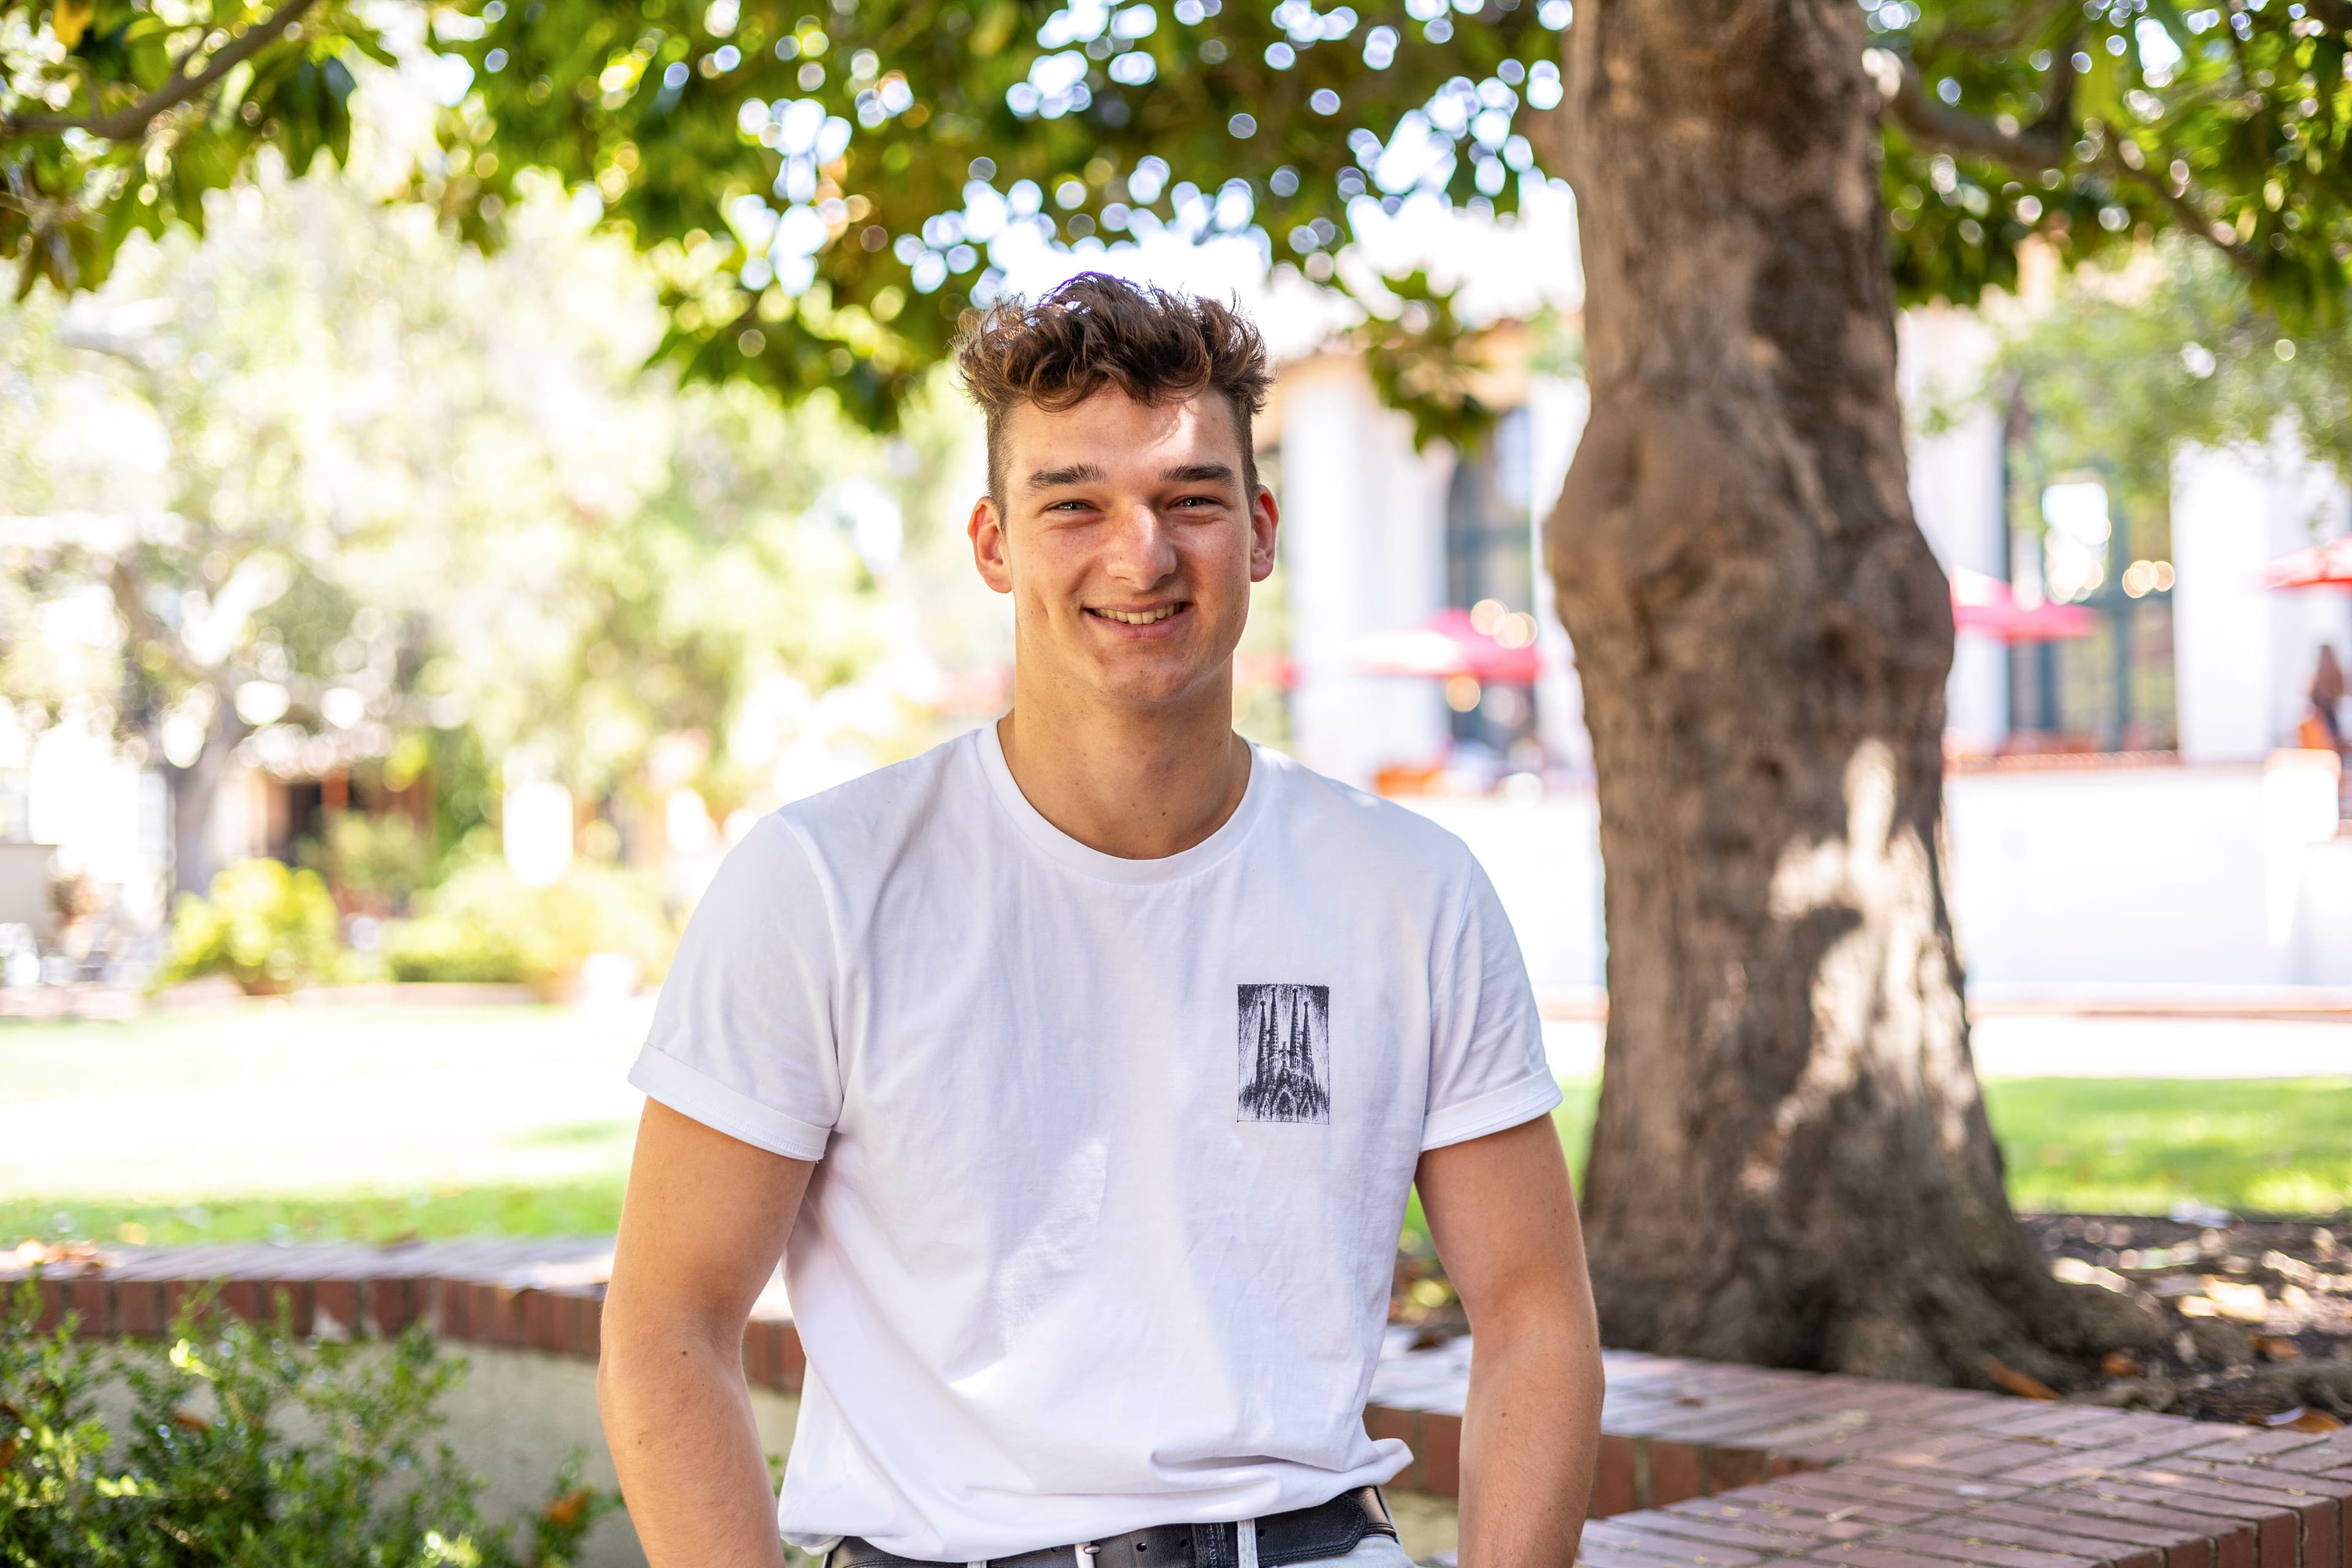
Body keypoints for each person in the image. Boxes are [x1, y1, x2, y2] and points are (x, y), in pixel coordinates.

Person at [596, 273, 1604, 1568]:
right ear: (993, 541)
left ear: (1260, 527)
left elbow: (1532, 1311)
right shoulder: (822, 885)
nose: (1142, 554)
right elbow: (667, 1323)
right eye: (1074, 502)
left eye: (1191, 497)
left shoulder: (1410, 889)